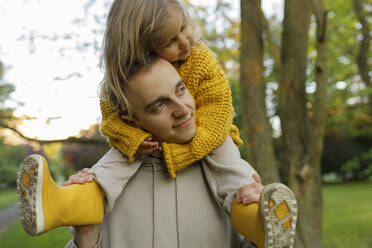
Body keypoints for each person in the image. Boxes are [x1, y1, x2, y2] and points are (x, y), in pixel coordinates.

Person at [16, 0, 297, 247]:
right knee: (107, 172)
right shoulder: (119, 98)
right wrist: (86, 238)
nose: (183, 110)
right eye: (158, 104)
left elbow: (218, 107)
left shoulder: (199, 59)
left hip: (212, 137)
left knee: (235, 178)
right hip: (139, 148)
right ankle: (63, 204)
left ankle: (258, 221)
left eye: (181, 89)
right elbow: (112, 123)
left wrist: (188, 150)